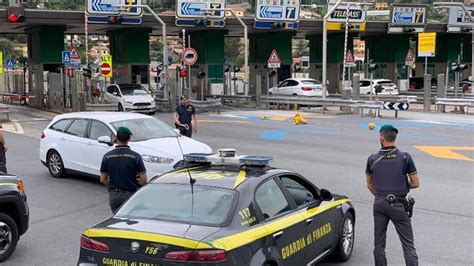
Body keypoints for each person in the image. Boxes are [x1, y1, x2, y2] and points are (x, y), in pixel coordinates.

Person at [365, 125, 420, 266]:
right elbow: (415, 183)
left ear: (381, 138)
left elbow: (370, 184)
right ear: (394, 138)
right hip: (398, 205)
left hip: (379, 203)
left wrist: (380, 195)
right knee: (408, 245)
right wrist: (401, 185)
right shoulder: (405, 157)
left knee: (379, 245)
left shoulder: (372, 158)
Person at [100, 127, 147, 213]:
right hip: (129, 194)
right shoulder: (136, 157)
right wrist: (134, 185)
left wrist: (112, 187)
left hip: (114, 195)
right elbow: (143, 180)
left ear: (116, 138)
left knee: (116, 220)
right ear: (129, 138)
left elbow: (103, 179)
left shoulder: (107, 156)